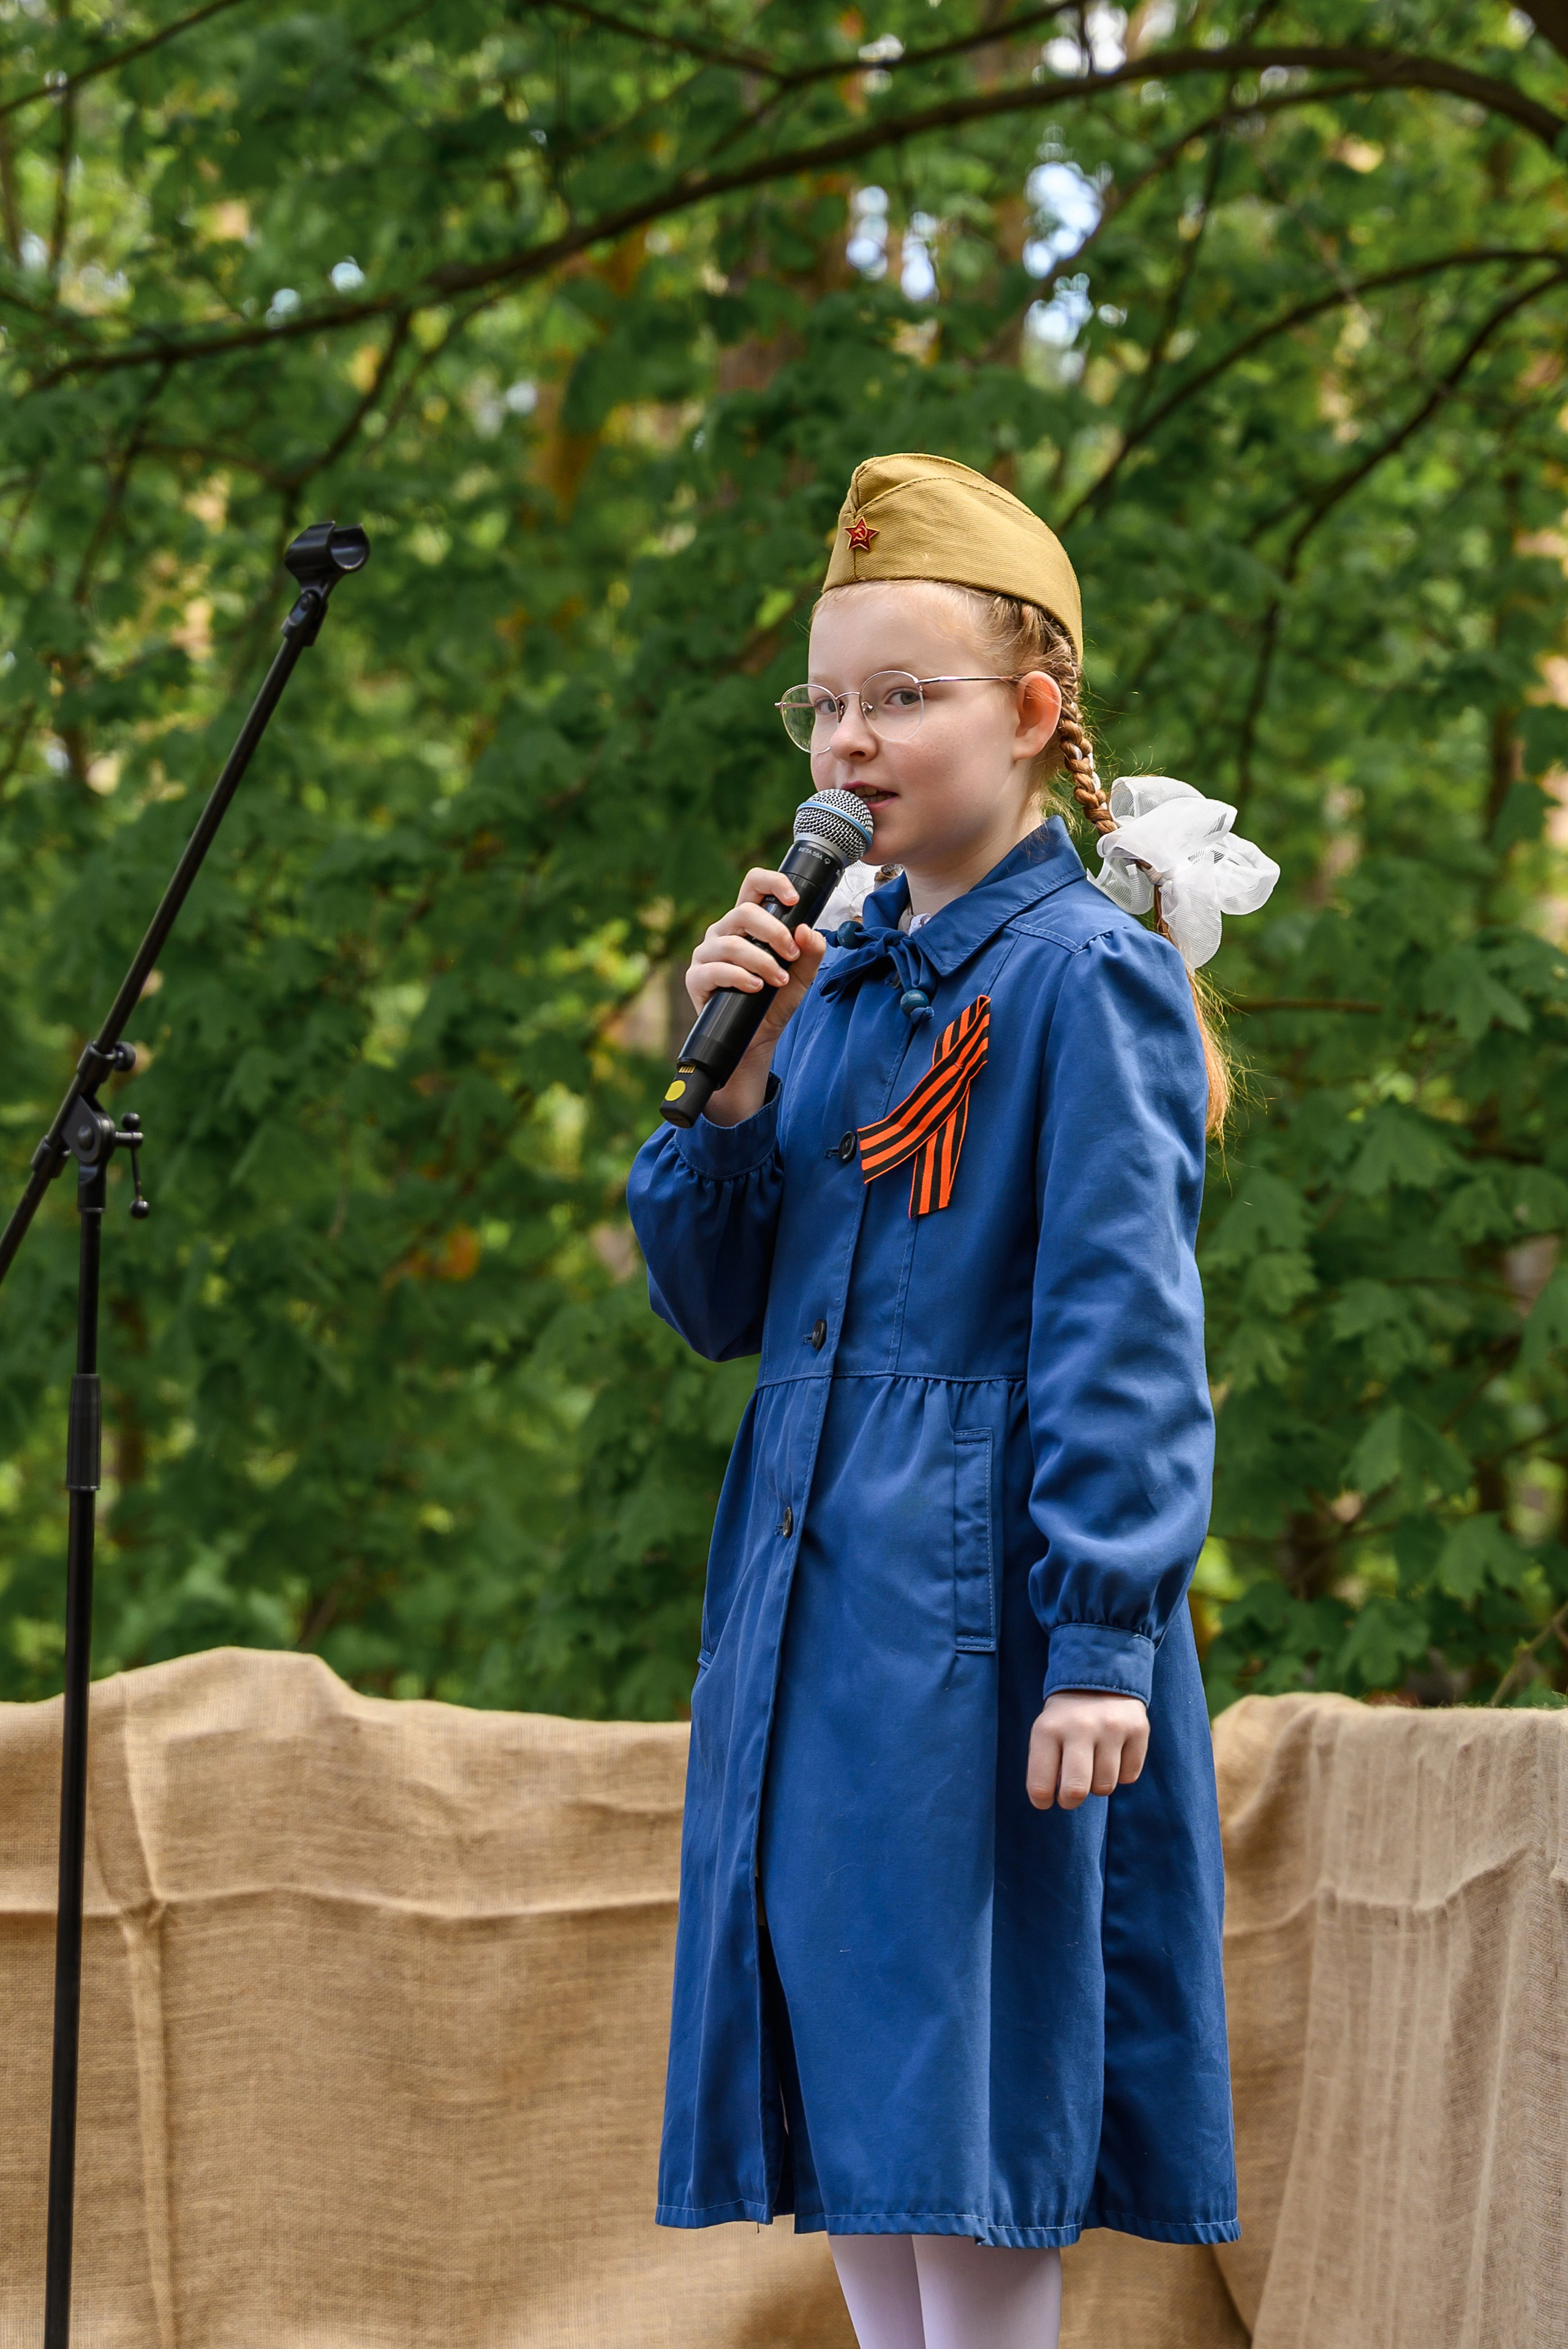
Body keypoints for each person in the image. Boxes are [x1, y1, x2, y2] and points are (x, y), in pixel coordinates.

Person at [626, 453, 1278, 2349]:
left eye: (904, 696)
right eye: (827, 702)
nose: (852, 739)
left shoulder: (1086, 981)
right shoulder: (834, 981)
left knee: (973, 2135)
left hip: (993, 1633)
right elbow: (718, 1301)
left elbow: (1126, 1334)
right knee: (868, 2130)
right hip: (817, 1621)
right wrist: (734, 1084)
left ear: (1033, 713)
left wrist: (1101, 1639)